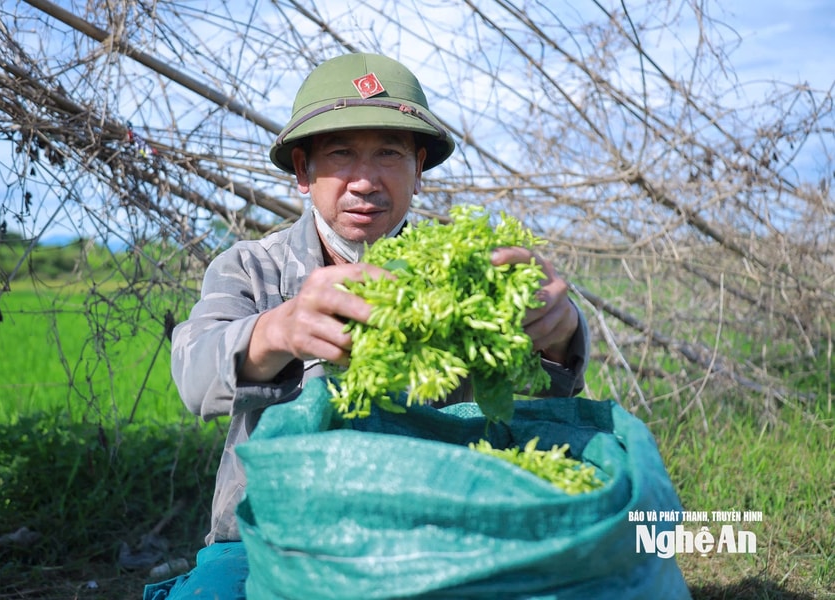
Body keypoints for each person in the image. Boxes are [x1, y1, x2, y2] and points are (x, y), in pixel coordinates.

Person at [145, 52, 589, 600]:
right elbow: (194, 374)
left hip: (433, 529)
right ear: (303, 172)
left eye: (388, 154)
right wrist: (280, 330)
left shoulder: (465, 268)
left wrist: (560, 332)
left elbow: (535, 396)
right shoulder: (250, 267)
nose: (364, 181)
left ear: (418, 168)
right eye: (340, 155)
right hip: (271, 533)